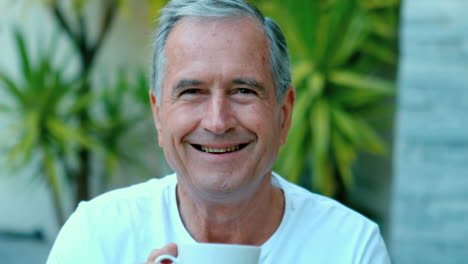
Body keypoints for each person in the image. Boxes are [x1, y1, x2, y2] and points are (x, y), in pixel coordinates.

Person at [47, 0, 390, 263]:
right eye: (192, 92)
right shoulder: (94, 238)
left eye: (243, 91)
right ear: (158, 115)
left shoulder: (350, 247)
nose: (217, 121)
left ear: (283, 115)